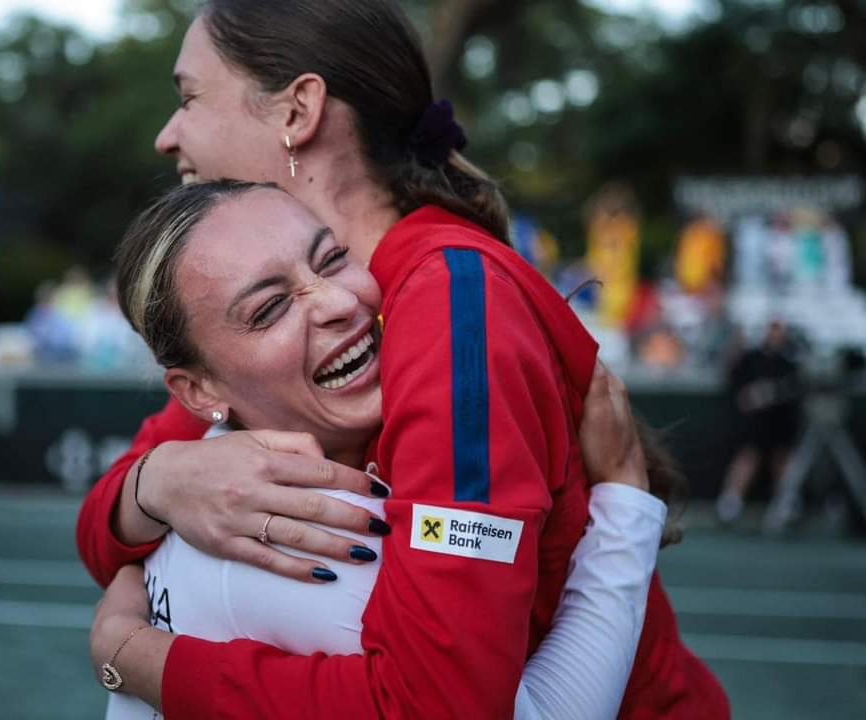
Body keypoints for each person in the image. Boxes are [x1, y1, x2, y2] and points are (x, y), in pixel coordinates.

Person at [77, 1, 728, 717]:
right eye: (269, 306)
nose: (168, 136)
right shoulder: (284, 319)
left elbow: (441, 705)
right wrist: (158, 483)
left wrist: (132, 656)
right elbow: (101, 531)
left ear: (297, 110)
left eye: (189, 97)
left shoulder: (447, 298)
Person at [98, 180, 668, 719]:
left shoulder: (200, 468)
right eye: (269, 309)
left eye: (331, 258)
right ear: (199, 392)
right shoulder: (317, 537)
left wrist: (147, 501)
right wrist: (625, 501)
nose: (338, 301)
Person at [716, 319, 803, 524]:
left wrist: (772, 394)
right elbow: (738, 390)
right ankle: (730, 502)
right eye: (772, 329)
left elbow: (794, 390)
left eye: (779, 330)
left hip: (780, 423)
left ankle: (787, 501)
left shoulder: (788, 363)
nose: (775, 335)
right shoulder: (749, 360)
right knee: (748, 457)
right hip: (754, 425)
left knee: (781, 459)